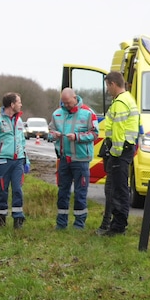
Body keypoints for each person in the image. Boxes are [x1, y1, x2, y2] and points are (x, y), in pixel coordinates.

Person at [48, 88, 97, 230]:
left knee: (80, 192)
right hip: (64, 159)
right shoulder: (57, 113)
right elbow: (49, 132)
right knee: (62, 191)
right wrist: (53, 135)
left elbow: (94, 134)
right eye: (63, 103)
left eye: (68, 103)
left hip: (81, 160)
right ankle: (61, 223)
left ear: (75, 98)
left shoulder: (88, 113)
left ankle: (79, 224)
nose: (66, 105)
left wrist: (77, 137)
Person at [98, 72, 139, 236]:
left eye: (108, 86)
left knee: (118, 189)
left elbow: (118, 132)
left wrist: (114, 153)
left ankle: (118, 226)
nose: (108, 90)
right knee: (119, 188)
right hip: (125, 150)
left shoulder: (121, 102)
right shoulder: (128, 99)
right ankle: (117, 224)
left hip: (120, 153)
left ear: (113, 84)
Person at [0, 92, 28, 229]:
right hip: (3, 162)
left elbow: (22, 141)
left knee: (18, 190)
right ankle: (1, 219)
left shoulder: (19, 121)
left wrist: (25, 160)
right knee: (3, 191)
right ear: (12, 104)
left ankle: (18, 219)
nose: (21, 104)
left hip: (18, 162)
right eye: (19, 102)